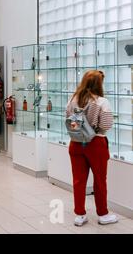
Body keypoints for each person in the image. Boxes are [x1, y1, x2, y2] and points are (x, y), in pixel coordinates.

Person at [66, 70, 117, 227]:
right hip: (96, 144)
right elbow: (105, 125)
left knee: (78, 180)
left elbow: (68, 120)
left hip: (75, 143)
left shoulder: (72, 100)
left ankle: (80, 215)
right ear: (99, 84)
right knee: (100, 180)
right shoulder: (102, 102)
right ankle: (102, 214)